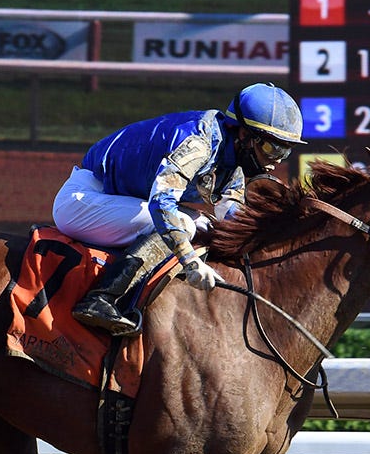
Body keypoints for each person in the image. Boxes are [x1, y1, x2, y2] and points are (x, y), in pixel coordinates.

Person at [51, 82, 305, 336]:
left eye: (285, 151)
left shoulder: (231, 162)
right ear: (244, 134)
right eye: (272, 148)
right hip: (83, 201)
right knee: (183, 224)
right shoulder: (199, 143)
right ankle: (100, 298)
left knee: (205, 225)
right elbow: (161, 203)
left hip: (118, 200)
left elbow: (231, 217)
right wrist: (190, 261)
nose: (277, 161)